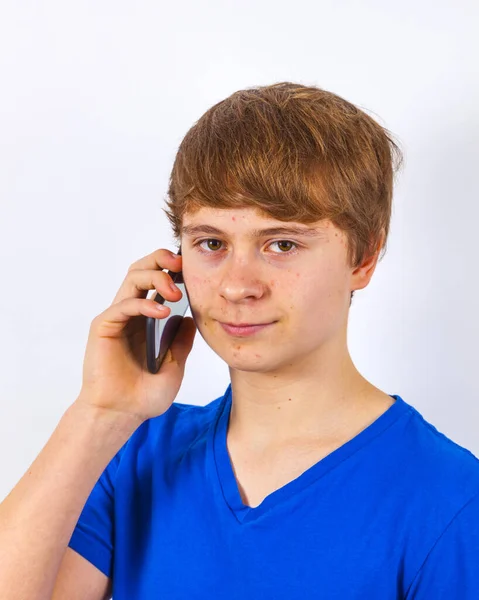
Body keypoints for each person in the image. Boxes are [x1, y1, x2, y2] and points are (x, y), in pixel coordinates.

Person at [1, 82, 478, 600]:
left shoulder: (448, 500)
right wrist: (101, 410)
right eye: (211, 243)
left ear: (362, 258)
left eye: (282, 243)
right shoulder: (135, 453)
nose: (237, 285)